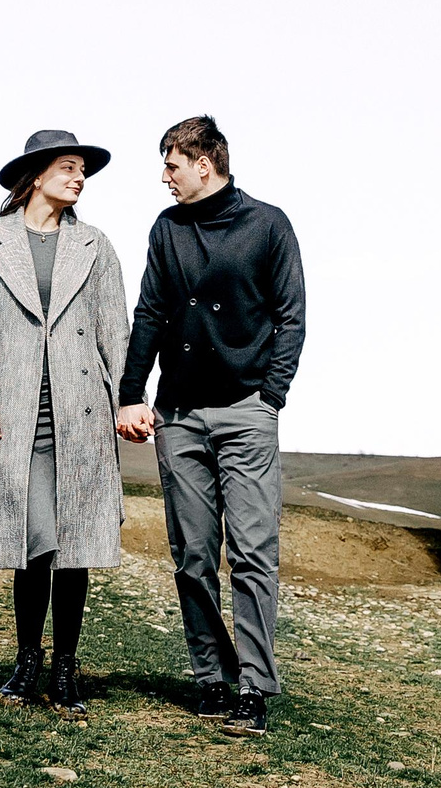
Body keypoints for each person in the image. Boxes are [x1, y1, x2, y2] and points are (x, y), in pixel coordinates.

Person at [115, 115, 306, 737]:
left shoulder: (268, 225)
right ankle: (211, 679)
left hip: (246, 413)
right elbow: (149, 312)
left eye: (171, 164)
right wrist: (130, 393)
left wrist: (269, 396)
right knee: (193, 555)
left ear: (205, 162)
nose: (164, 177)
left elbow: (291, 317)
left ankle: (252, 687)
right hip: (178, 416)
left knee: (252, 553)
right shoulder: (167, 230)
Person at [0, 129, 132, 717]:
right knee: (34, 542)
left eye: (83, 170)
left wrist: (128, 399)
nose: (80, 179)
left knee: (73, 545)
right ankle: (27, 663)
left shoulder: (96, 246)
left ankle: (65, 670)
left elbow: (115, 331)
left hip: (80, 416)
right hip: (14, 415)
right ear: (34, 177)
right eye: (68, 167)